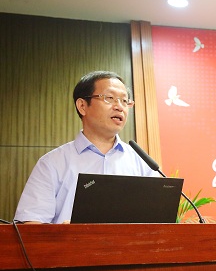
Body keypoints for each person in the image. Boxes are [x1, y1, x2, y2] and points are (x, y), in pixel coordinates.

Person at [14, 71, 157, 224]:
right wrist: (64, 234)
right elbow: (30, 223)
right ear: (82, 106)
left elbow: (158, 219)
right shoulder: (51, 163)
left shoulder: (142, 163)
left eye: (124, 101)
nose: (119, 107)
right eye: (109, 98)